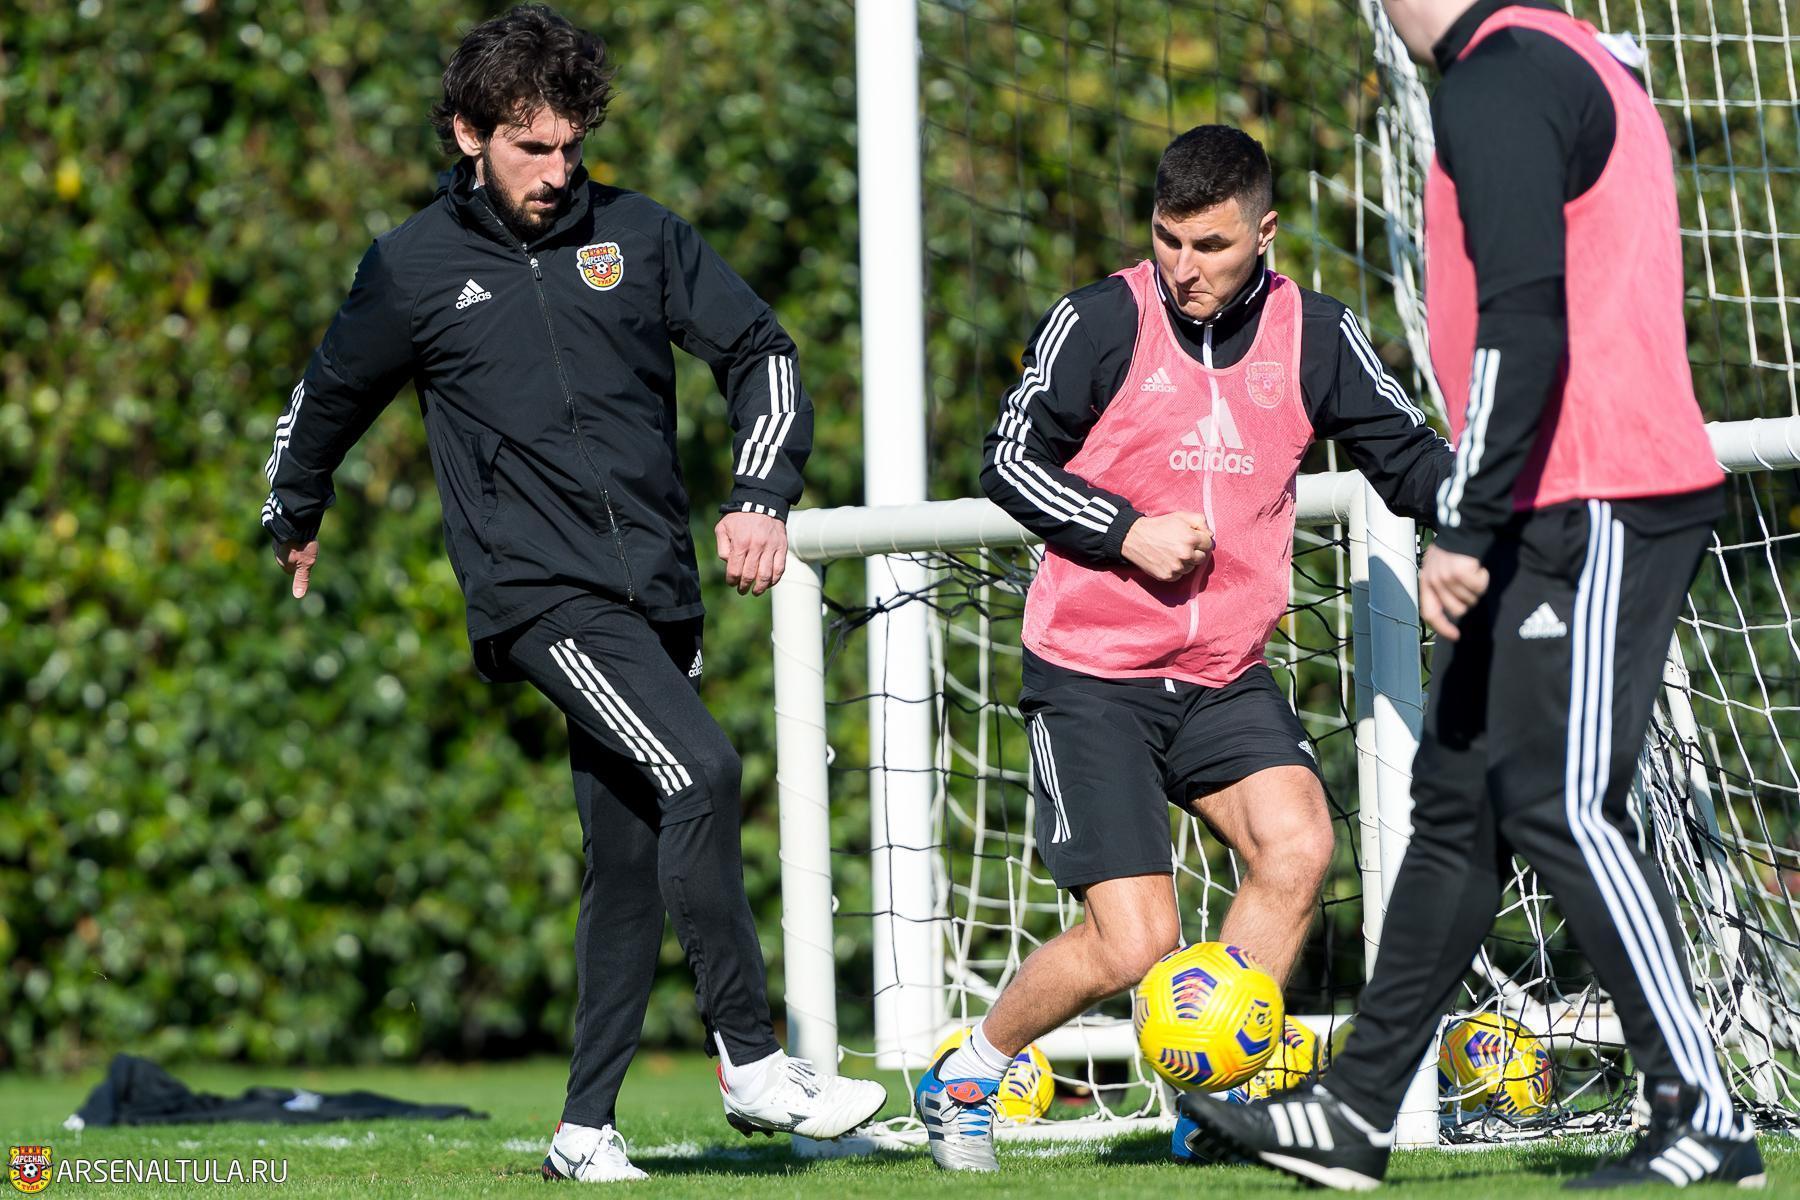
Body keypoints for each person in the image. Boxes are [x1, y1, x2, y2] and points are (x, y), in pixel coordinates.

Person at [258, 5, 884, 1183]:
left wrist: (760, 492)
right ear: (468, 134)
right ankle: (754, 1061)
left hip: (656, 591)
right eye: (529, 147)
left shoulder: (639, 235)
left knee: (631, 856)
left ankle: (584, 1131)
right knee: (703, 770)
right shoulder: (412, 268)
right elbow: (326, 396)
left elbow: (762, 350)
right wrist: (293, 510)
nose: (556, 171)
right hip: (539, 594)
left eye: (570, 146)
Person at [1174, 0, 1762, 1190]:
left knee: (1561, 802)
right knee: (1457, 810)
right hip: (1557, 495)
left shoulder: (1501, 77)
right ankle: (1358, 1116)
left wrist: (1473, 519)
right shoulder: (1569, 54)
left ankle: (1701, 1113)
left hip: (1591, 496)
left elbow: (1523, 323)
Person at [911, 124, 1453, 1173]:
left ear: (1266, 232)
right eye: (1168, 239)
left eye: (1211, 245)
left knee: (1299, 846)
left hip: (1221, 677)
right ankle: (967, 1076)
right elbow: (1007, 459)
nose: (1185, 266)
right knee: (1137, 941)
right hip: (1092, 674)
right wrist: (1125, 531)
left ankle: (1214, 1103)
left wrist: (1507, 514)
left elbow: (1411, 460)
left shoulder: (1317, 336)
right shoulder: (1100, 320)